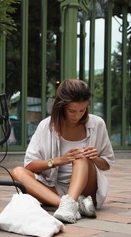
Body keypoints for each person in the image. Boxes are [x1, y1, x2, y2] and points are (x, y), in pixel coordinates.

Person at [11, 79, 114, 224]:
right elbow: (30, 165)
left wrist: (95, 158)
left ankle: (70, 203)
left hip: (87, 189)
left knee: (80, 156)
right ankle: (69, 205)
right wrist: (59, 160)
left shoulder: (97, 124)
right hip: (55, 188)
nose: (77, 115)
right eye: (72, 111)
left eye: (82, 110)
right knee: (18, 172)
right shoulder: (46, 126)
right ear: (61, 106)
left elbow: (107, 164)